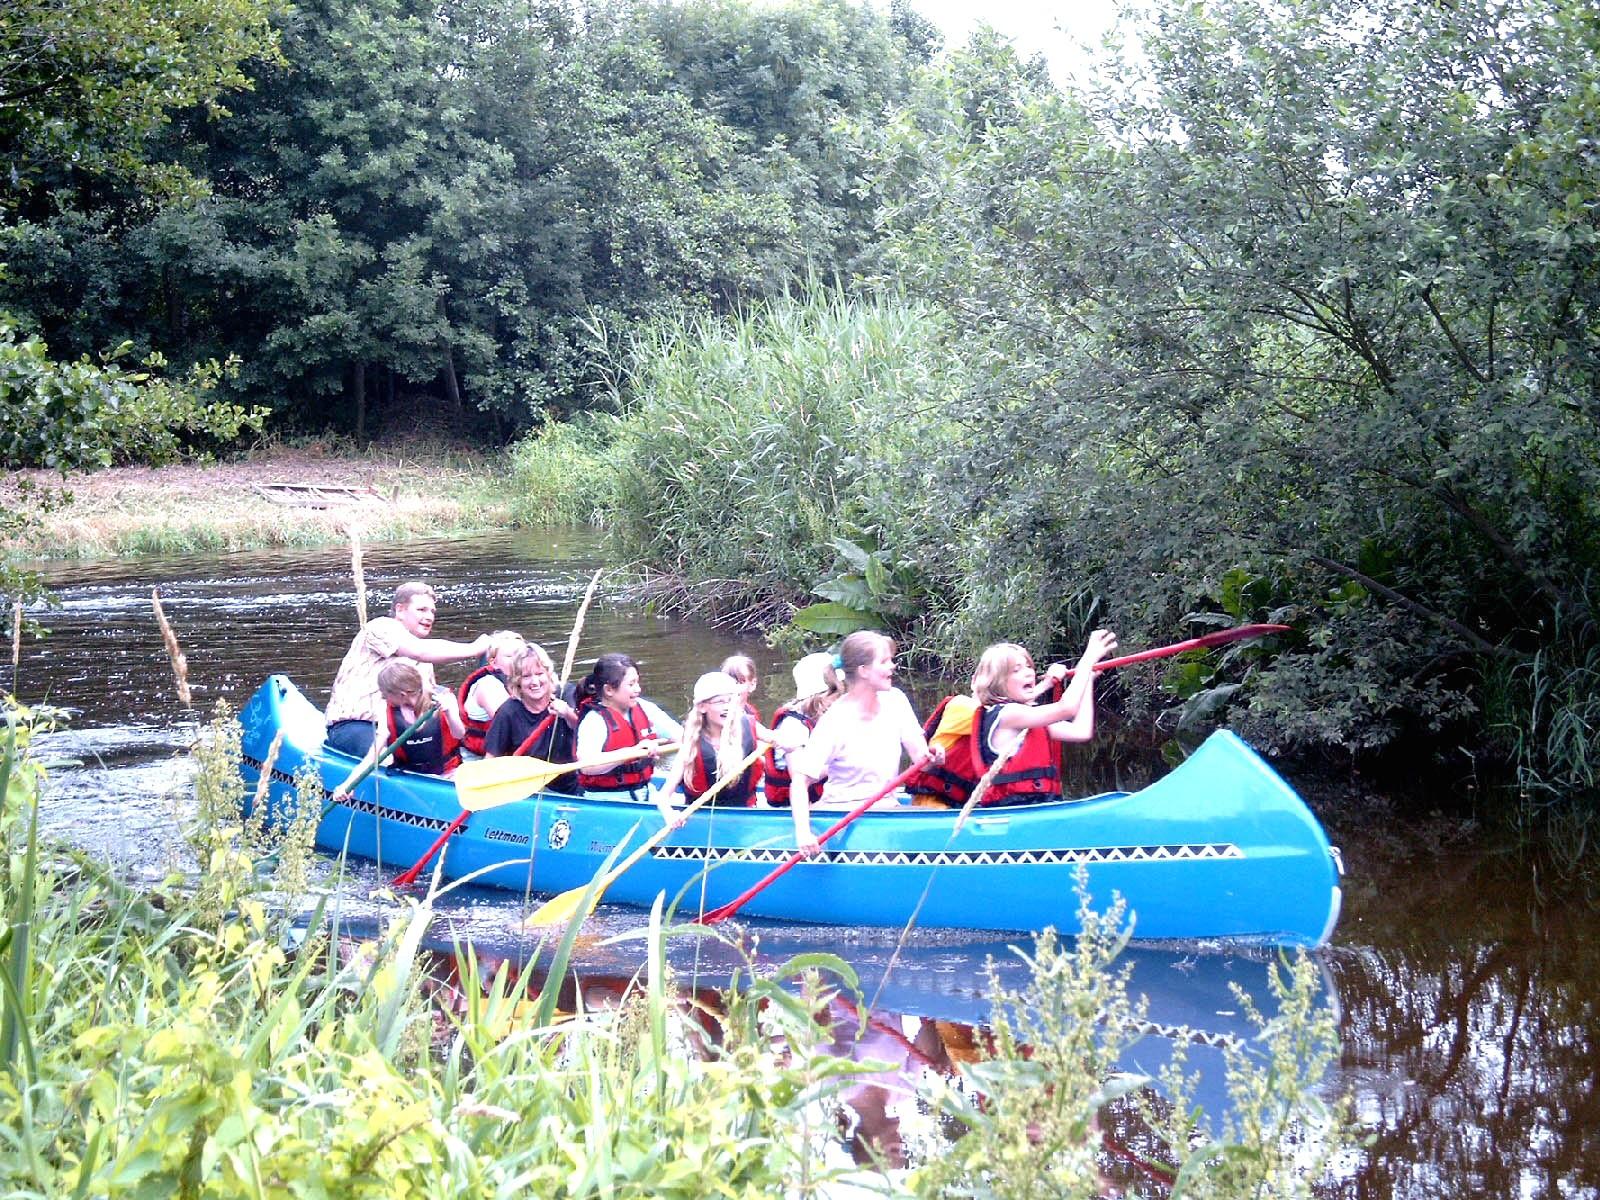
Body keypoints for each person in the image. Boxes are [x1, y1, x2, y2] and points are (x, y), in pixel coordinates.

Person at [908, 631, 1118, 808]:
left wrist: (1087, 680)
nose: (1028, 673)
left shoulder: (1026, 721)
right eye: (1017, 670)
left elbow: (1080, 731)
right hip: (1004, 814)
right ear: (997, 683)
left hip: (1034, 809)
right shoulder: (1006, 715)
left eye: (1029, 667)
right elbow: (1067, 708)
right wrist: (1087, 658)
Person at [786, 631, 943, 854]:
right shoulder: (836, 719)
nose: (893, 666)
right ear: (864, 671)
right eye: (885, 661)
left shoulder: (895, 700)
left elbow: (923, 760)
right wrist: (803, 833)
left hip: (886, 809)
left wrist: (935, 756)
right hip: (842, 813)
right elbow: (800, 782)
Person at [324, 581, 490, 756]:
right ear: (400, 610)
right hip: (355, 726)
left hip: (400, 730)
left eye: (432, 611)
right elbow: (418, 650)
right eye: (422, 610)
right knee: (387, 759)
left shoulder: (426, 662)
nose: (430, 617)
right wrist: (475, 648)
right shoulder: (380, 627)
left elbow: (423, 706)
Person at [330, 661, 465, 799]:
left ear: (402, 694)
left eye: (384, 693)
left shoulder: (444, 699)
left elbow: (459, 734)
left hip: (449, 774)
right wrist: (348, 785)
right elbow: (372, 757)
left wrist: (449, 712)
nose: (382, 697)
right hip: (409, 777)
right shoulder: (386, 711)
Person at [572, 652, 683, 800]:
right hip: (606, 799)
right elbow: (587, 766)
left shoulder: (643, 707)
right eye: (631, 684)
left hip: (645, 792)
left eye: (637, 682)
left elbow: (681, 737)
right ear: (609, 690)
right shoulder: (594, 720)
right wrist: (631, 752)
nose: (638, 689)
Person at [482, 643, 581, 792]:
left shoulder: (566, 694)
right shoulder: (508, 712)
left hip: (572, 785)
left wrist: (567, 713)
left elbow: (584, 730)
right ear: (518, 682)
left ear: (548, 674)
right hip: (529, 790)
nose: (535, 682)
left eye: (539, 674)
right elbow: (491, 758)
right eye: (526, 676)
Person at [762, 652, 840, 808]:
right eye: (836, 693)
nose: (841, 697)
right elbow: (799, 775)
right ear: (818, 696)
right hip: (793, 804)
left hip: (822, 796)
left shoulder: (826, 717)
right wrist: (842, 765)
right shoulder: (794, 726)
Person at [456, 630, 526, 759]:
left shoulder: (528, 683)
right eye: (510, 656)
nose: (518, 661)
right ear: (493, 662)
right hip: (479, 762)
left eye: (522, 656)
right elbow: (514, 727)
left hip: (511, 756)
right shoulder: (488, 686)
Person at [720, 653, 763, 724]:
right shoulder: (714, 716)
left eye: (740, 682)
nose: (734, 688)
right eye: (728, 682)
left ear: (752, 684)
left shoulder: (751, 713)